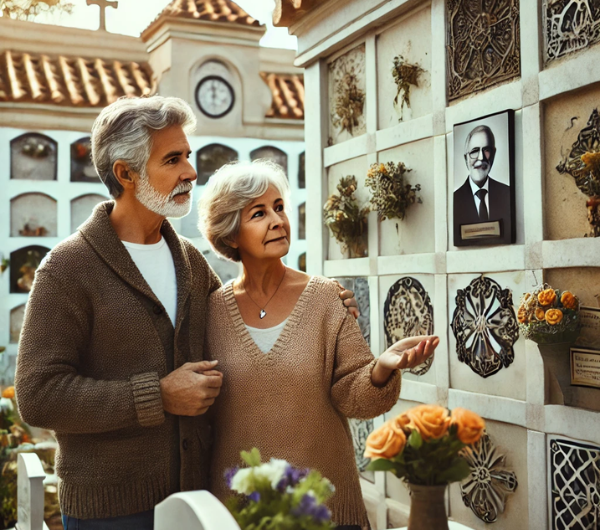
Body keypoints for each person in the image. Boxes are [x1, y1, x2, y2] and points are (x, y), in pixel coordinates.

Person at [13, 95, 359, 530]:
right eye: (173, 159)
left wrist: (322, 304)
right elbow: (38, 394)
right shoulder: (67, 269)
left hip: (196, 502)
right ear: (126, 174)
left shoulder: (192, 263)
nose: (191, 173)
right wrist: (157, 395)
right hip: (111, 511)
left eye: (188, 157)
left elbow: (244, 321)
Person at [199, 160, 439, 530]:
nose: (277, 220)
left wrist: (379, 369)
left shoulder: (327, 297)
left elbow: (354, 396)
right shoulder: (210, 311)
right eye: (259, 213)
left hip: (324, 503)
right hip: (243, 509)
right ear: (231, 235)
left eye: (279, 207)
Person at [453, 125, 511, 244]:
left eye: (486, 150)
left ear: (493, 154)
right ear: (466, 159)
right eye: (474, 151)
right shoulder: (456, 199)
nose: (481, 157)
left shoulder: (507, 193)